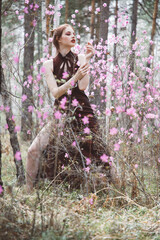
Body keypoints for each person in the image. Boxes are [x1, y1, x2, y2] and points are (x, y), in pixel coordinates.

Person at [26, 24, 120, 192]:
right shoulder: (48, 64)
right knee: (33, 150)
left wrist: (87, 61)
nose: (73, 36)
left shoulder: (81, 58)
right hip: (61, 115)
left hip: (84, 113)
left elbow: (83, 87)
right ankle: (29, 192)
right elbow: (55, 93)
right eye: (68, 34)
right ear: (58, 38)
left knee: (103, 154)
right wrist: (75, 77)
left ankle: (121, 192)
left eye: (74, 34)